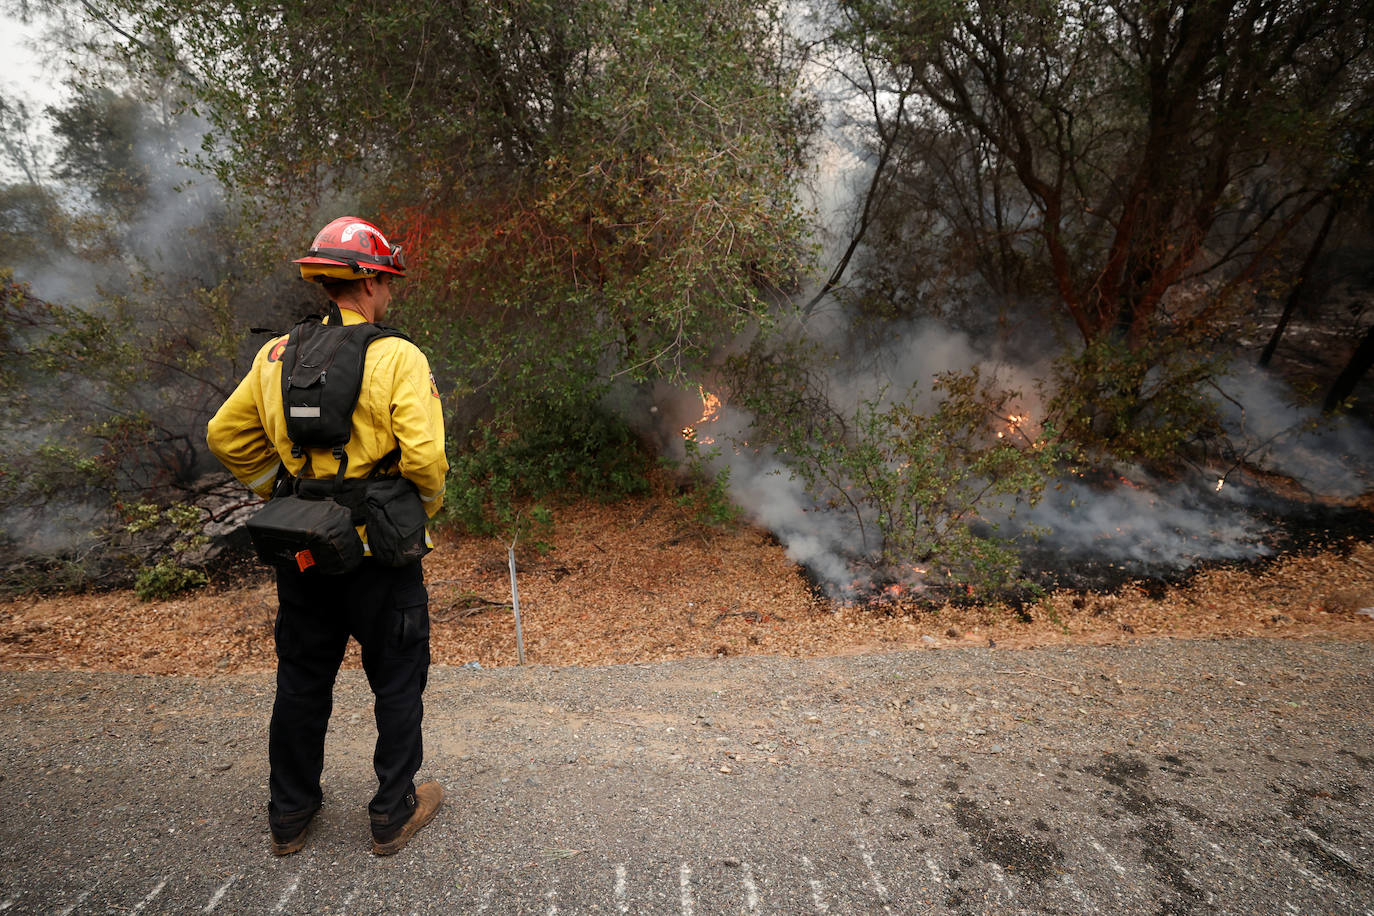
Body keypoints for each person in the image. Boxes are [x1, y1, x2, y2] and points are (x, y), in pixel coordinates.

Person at [206, 216, 449, 856]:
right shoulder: (397, 355)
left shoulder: (275, 355)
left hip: (304, 550)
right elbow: (424, 458)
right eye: (386, 280)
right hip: (379, 557)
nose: (390, 293)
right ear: (366, 279)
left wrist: (281, 491)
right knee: (396, 681)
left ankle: (289, 816)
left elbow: (223, 436)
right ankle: (391, 813)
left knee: (303, 679)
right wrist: (415, 511)